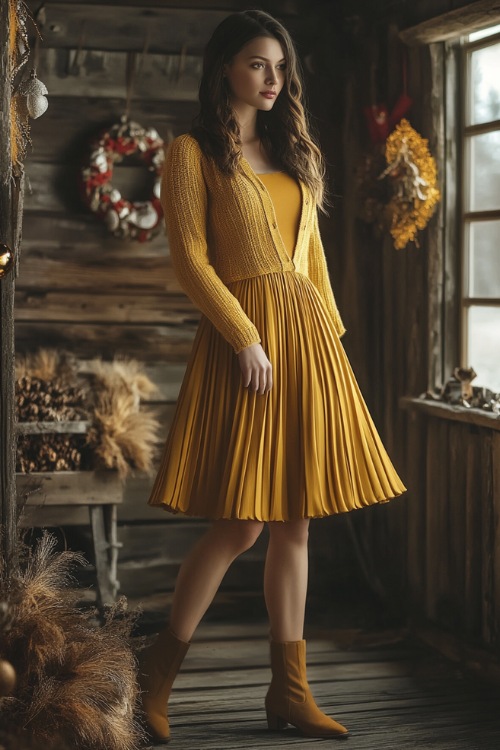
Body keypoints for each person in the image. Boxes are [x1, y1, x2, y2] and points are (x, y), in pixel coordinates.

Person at [138, 9, 406, 743]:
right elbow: (191, 261)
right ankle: (153, 680)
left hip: (308, 344)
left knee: (296, 522)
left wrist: (330, 345)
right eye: (258, 63)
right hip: (245, 347)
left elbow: (310, 263)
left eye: (280, 68)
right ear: (225, 64)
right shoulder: (192, 152)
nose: (272, 79)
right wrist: (246, 337)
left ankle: (290, 693)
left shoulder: (295, 152)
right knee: (242, 522)